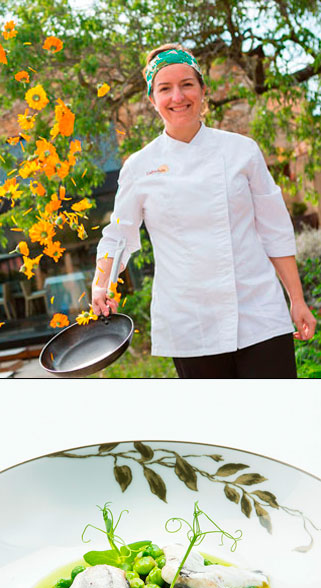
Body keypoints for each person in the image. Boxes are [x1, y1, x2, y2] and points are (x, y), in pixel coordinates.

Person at [91, 43, 316, 378]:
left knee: (276, 419)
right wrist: (101, 285)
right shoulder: (140, 167)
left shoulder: (242, 150)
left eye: (187, 84)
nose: (177, 96)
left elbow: (275, 230)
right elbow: (118, 236)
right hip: (189, 322)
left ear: (202, 91)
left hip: (259, 311)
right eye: (165, 89)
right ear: (153, 101)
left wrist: (296, 299)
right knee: (212, 429)